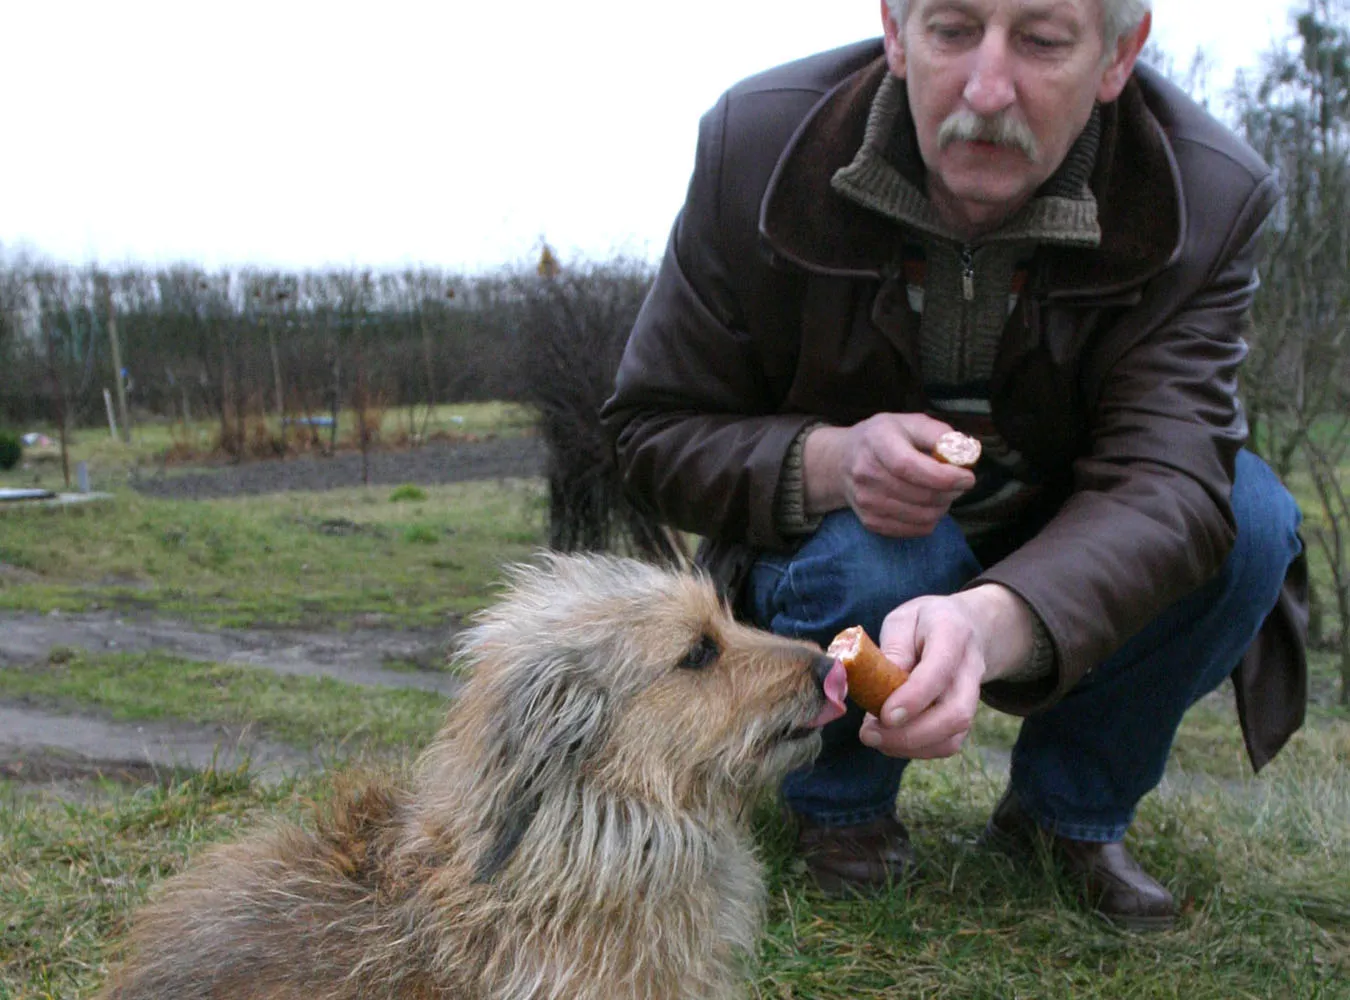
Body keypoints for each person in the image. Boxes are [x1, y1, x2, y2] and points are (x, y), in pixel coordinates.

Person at [602, 0, 1308, 930]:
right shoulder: (757, 142)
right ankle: (840, 810)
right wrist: (828, 461)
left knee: (1249, 520)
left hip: (1053, 542)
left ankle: (1067, 815)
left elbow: (1169, 482)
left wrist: (990, 622)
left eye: (1043, 39)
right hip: (843, 546)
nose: (985, 88)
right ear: (895, 31)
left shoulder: (1209, 194)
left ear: (1118, 54)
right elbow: (647, 429)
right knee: (881, 555)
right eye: (951, 29)